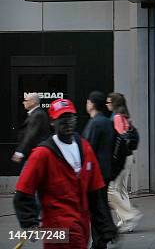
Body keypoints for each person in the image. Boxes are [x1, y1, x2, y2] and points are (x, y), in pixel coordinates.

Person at [13, 98, 106, 249]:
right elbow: (23, 192)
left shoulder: (85, 148)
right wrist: (30, 223)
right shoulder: (42, 154)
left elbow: (95, 191)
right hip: (58, 226)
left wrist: (104, 224)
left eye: (70, 117)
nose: (67, 122)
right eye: (62, 118)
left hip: (82, 225)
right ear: (52, 122)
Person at [83, 91, 119, 248]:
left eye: (87, 102)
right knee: (100, 205)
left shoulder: (95, 123)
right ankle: (103, 237)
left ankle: (101, 239)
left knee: (96, 208)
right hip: (105, 171)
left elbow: (87, 148)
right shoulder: (106, 122)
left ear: (91, 104)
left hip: (95, 173)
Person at [106, 92, 143, 233]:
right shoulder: (125, 117)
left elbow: (118, 139)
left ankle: (129, 216)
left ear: (114, 103)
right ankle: (126, 220)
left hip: (120, 158)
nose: (107, 105)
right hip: (128, 157)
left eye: (109, 102)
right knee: (121, 189)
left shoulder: (116, 117)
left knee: (112, 190)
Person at [12, 93, 50, 167]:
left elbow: (30, 135)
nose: (23, 102)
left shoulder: (37, 114)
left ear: (33, 102)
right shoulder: (36, 113)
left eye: (26, 100)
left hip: (35, 154)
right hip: (33, 153)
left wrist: (20, 152)